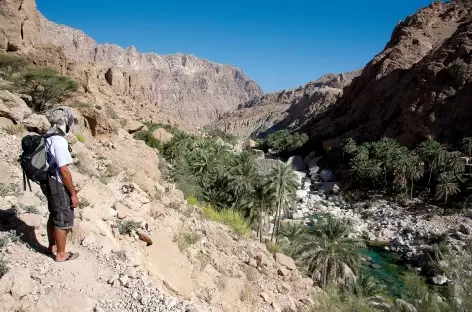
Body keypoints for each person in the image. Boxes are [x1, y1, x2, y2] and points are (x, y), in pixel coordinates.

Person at [41, 107, 80, 262]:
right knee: (63, 218)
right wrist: (73, 193)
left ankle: (52, 246)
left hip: (47, 182)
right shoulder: (59, 141)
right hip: (57, 183)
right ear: (64, 122)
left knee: (54, 214)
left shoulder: (47, 137)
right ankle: (61, 254)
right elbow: (64, 170)